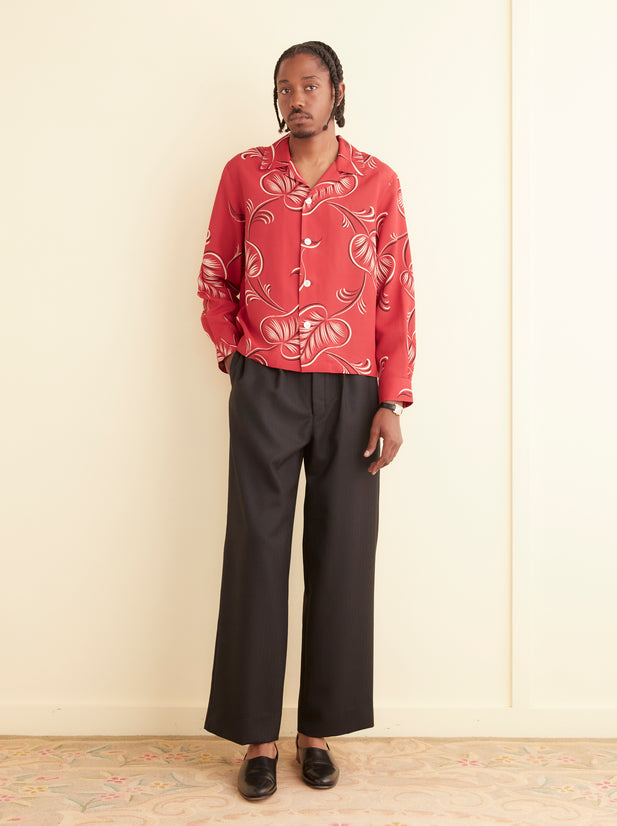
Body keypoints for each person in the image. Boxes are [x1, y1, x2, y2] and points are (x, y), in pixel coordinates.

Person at [197, 40, 415, 801]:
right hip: (267, 386)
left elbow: (397, 296)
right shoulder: (244, 175)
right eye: (286, 87)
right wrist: (236, 358)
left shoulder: (377, 183)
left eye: (311, 84)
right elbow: (215, 274)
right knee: (255, 553)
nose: (298, 97)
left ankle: (317, 733)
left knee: (342, 558)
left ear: (338, 92)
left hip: (353, 389)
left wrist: (392, 398)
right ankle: (257, 739)